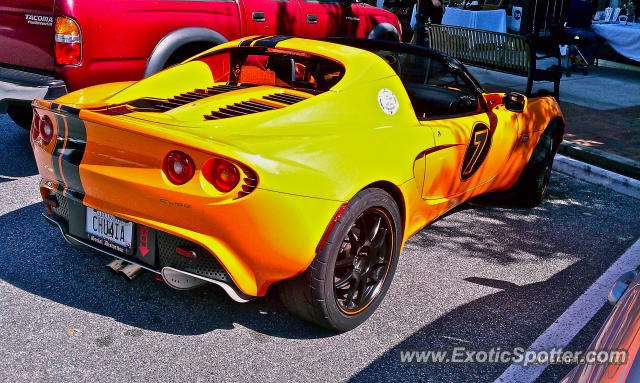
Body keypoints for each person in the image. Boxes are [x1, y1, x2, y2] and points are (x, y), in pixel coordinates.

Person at [565, 0, 603, 64]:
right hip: (578, 32)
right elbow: (588, 22)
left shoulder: (572, 2)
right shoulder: (589, 5)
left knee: (586, 37)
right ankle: (581, 57)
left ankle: (574, 54)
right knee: (599, 38)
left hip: (568, 31)